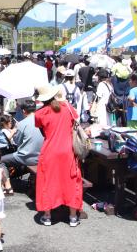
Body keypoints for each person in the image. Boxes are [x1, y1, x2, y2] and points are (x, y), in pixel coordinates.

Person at [34, 85, 83, 227]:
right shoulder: (68, 108)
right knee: (71, 181)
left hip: (49, 150)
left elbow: (43, 132)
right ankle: (73, 217)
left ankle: (47, 216)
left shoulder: (40, 113)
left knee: (47, 181)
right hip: (68, 150)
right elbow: (75, 120)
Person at [0, 100, 43, 194]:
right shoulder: (42, 120)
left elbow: (17, 142)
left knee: (0, 160)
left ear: (23, 111)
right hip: (42, 156)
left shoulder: (21, 124)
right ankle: (32, 180)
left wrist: (13, 132)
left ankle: (8, 187)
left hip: (26, 157)